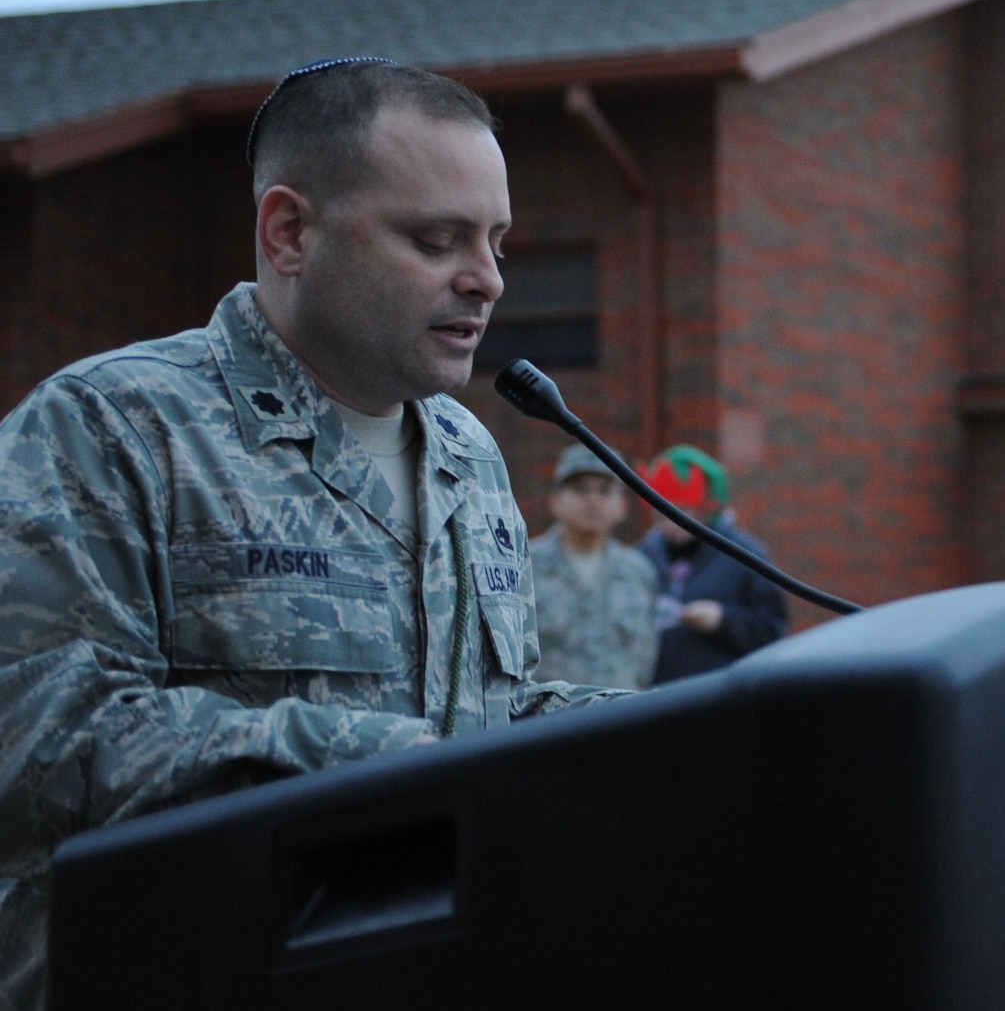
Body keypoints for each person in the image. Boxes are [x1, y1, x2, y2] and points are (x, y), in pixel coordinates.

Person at [0, 58, 623, 1006]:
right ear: (289, 231)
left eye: (496, 241)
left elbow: (488, 714)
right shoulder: (110, 429)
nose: (488, 279)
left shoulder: (471, 452)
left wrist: (673, 728)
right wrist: (385, 765)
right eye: (436, 238)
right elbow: (40, 737)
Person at [638, 445, 789, 683]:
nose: (670, 522)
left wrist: (723, 620)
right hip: (654, 696)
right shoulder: (643, 555)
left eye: (682, 510)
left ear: (707, 509)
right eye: (660, 513)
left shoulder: (744, 555)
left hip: (721, 696)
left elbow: (772, 629)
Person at [528, 444, 658, 689]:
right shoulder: (525, 568)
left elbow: (645, 661)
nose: (592, 500)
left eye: (604, 491)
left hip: (621, 717)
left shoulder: (638, 572)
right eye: (580, 490)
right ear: (555, 501)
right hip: (548, 722)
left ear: (622, 507)